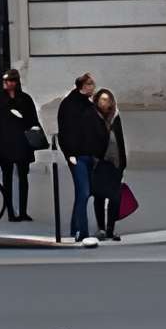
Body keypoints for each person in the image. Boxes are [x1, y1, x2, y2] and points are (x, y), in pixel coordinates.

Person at [53, 73, 107, 246]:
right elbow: (65, 131)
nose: (93, 87)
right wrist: (70, 154)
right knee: (83, 192)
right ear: (82, 86)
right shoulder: (69, 105)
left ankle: (75, 227)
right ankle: (81, 231)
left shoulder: (89, 105)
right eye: (90, 84)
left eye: (93, 84)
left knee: (83, 192)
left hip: (90, 155)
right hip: (78, 156)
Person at [0, 67, 41, 224]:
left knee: (23, 177)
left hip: (22, 143)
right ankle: (10, 210)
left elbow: (33, 120)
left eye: (10, 80)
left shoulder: (25, 99)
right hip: (5, 143)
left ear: (16, 82)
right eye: (5, 80)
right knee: (7, 177)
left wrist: (34, 138)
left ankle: (23, 211)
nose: (7, 83)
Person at [91, 86, 129, 242]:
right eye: (102, 99)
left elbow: (120, 140)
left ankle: (110, 229)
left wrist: (123, 161)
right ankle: (100, 228)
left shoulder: (116, 117)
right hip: (99, 162)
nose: (105, 102)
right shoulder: (94, 117)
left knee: (115, 197)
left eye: (107, 99)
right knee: (99, 196)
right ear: (97, 101)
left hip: (115, 163)